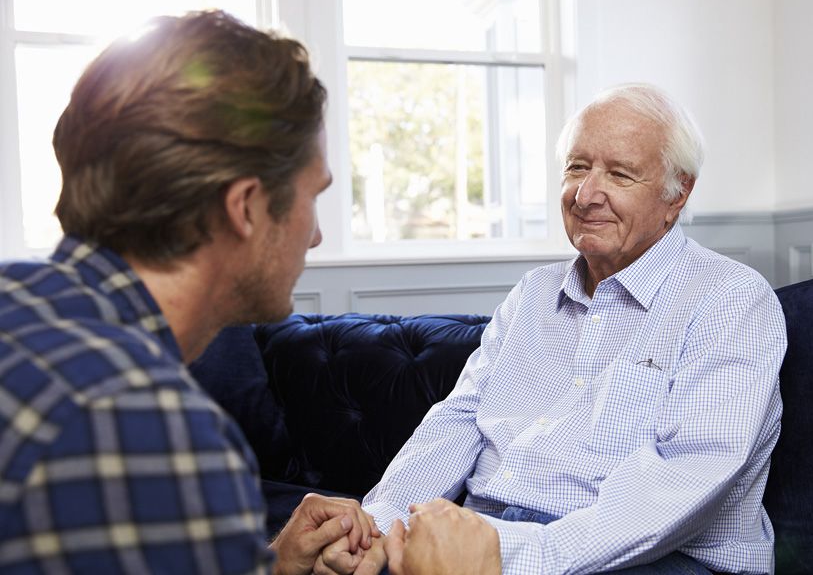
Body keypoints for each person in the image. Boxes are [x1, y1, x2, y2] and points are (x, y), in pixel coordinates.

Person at [323, 83, 787, 575]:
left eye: (621, 174)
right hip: (491, 536)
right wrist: (379, 527)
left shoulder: (731, 300)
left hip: (656, 558)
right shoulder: (533, 293)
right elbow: (458, 421)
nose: (587, 195)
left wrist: (503, 556)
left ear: (678, 193)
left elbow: (686, 479)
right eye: (577, 167)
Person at [0, 10, 381, 574]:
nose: (316, 234)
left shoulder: (18, 306)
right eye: (312, 196)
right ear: (246, 207)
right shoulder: (149, 426)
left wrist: (269, 566)